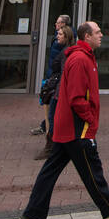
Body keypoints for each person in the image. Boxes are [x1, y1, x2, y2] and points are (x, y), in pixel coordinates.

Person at [19, 22, 109, 219]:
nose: (102, 35)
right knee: (91, 169)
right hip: (76, 126)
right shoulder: (81, 59)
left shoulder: (82, 56)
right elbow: (77, 97)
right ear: (87, 36)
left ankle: (33, 214)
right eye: (98, 32)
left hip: (66, 126)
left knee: (50, 171)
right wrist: (90, 119)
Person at [36, 23, 73, 161]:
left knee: (53, 118)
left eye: (60, 34)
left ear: (66, 36)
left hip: (58, 91)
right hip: (57, 88)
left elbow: (64, 73)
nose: (57, 35)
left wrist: (59, 90)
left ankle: (51, 147)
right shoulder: (61, 49)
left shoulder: (66, 52)